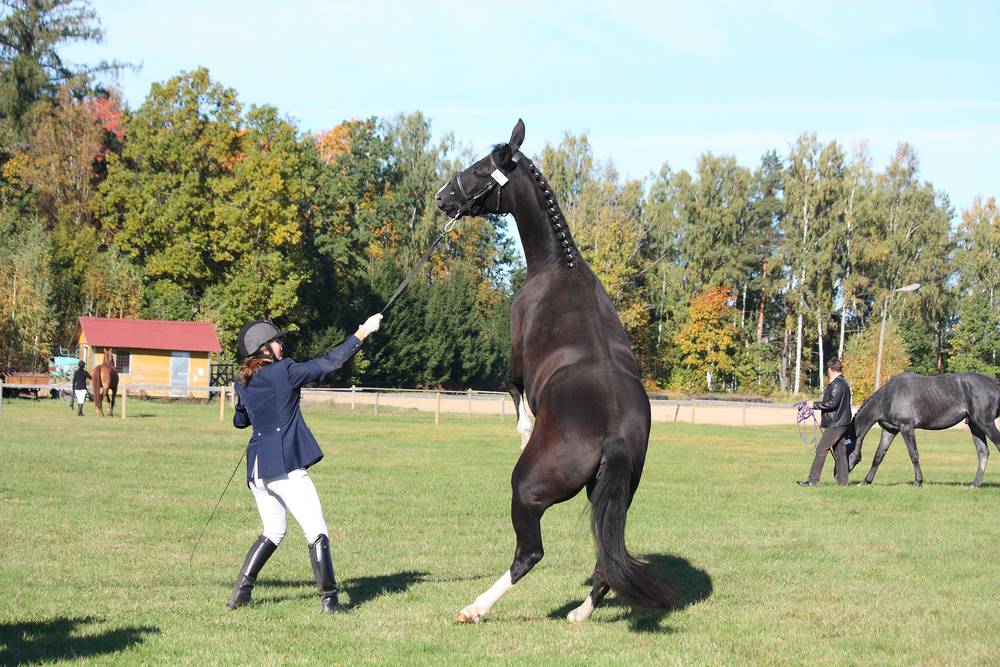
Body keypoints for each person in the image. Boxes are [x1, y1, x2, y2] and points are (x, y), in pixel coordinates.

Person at [227, 313, 383, 613]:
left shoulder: (243, 381)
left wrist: (243, 398)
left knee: (273, 531)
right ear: (263, 350)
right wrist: (362, 332)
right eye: (276, 341)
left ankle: (239, 595)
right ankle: (330, 600)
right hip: (284, 466)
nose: (281, 345)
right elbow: (329, 363)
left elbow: (239, 421)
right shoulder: (283, 371)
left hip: (258, 471)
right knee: (316, 530)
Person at [798, 358, 853, 486]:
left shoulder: (837, 384)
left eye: (828, 370)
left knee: (821, 450)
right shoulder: (843, 383)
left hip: (836, 423)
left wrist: (813, 405)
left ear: (830, 369)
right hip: (842, 423)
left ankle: (813, 481)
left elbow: (832, 403)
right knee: (840, 452)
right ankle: (843, 483)